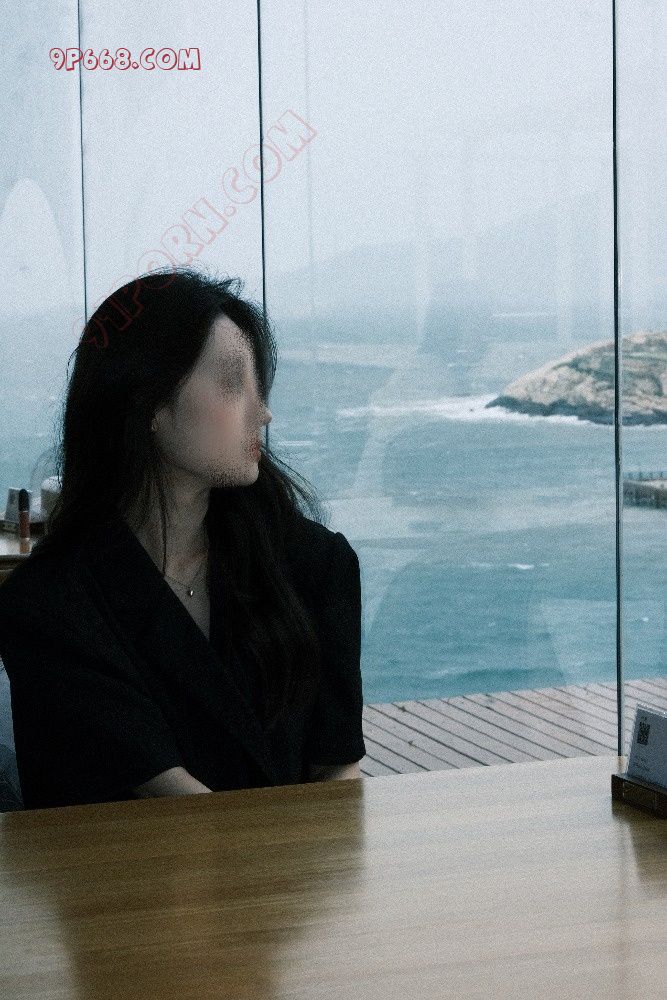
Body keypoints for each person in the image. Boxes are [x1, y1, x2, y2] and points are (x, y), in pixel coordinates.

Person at [0, 267, 366, 810]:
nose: (263, 413)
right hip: (139, 865)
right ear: (147, 401)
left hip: (295, 864)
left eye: (259, 384)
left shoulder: (316, 565)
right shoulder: (51, 603)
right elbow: (179, 803)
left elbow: (339, 765)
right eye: (233, 382)